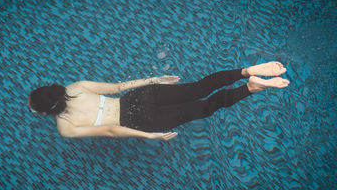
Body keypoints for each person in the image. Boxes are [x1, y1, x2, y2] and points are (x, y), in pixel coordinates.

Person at [27, 61, 289, 140]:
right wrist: (155, 80)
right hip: (138, 97)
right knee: (199, 88)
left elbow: (109, 129)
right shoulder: (76, 86)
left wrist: (149, 136)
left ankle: (250, 88)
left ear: (45, 112)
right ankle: (245, 71)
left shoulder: (66, 128)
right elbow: (119, 86)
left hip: (138, 119)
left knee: (204, 107)